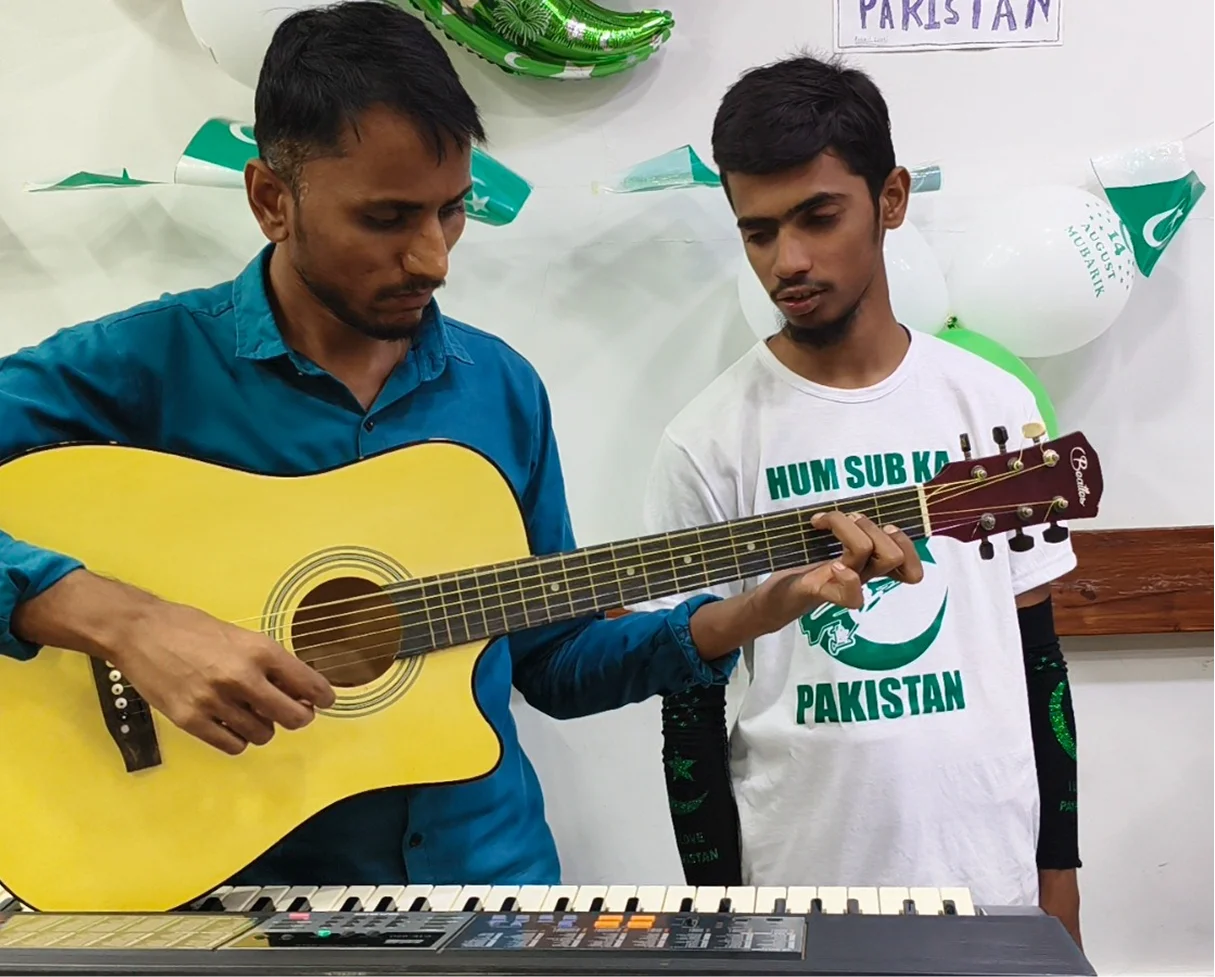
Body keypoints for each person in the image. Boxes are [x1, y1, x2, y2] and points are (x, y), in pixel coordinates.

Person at [0, 4, 923, 889]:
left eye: (451, 211)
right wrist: (125, 621)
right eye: (386, 218)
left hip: (487, 887)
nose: (433, 258)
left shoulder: (499, 389)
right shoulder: (150, 363)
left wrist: (755, 609)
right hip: (249, 901)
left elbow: (552, 662)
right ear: (272, 200)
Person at [642, 55, 1082, 945]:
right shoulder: (706, 439)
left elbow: (1038, 657)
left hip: (988, 878)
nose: (788, 261)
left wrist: (1059, 873)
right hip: (794, 892)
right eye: (757, 231)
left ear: (890, 199)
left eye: (818, 217)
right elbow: (688, 709)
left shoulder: (991, 409)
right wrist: (716, 912)